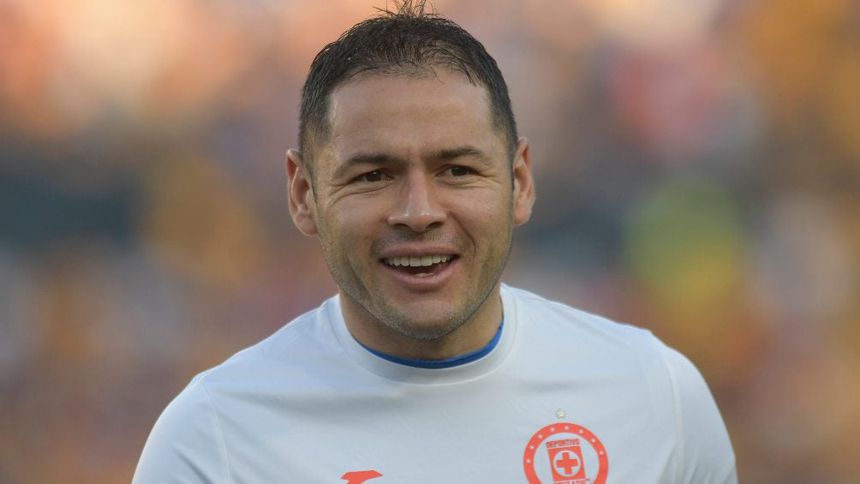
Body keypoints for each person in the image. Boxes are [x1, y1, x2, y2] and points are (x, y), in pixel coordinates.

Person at [133, 3, 737, 483]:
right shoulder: (213, 440)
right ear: (303, 193)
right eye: (374, 175)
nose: (419, 212)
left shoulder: (655, 395)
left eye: (457, 170)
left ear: (521, 182)